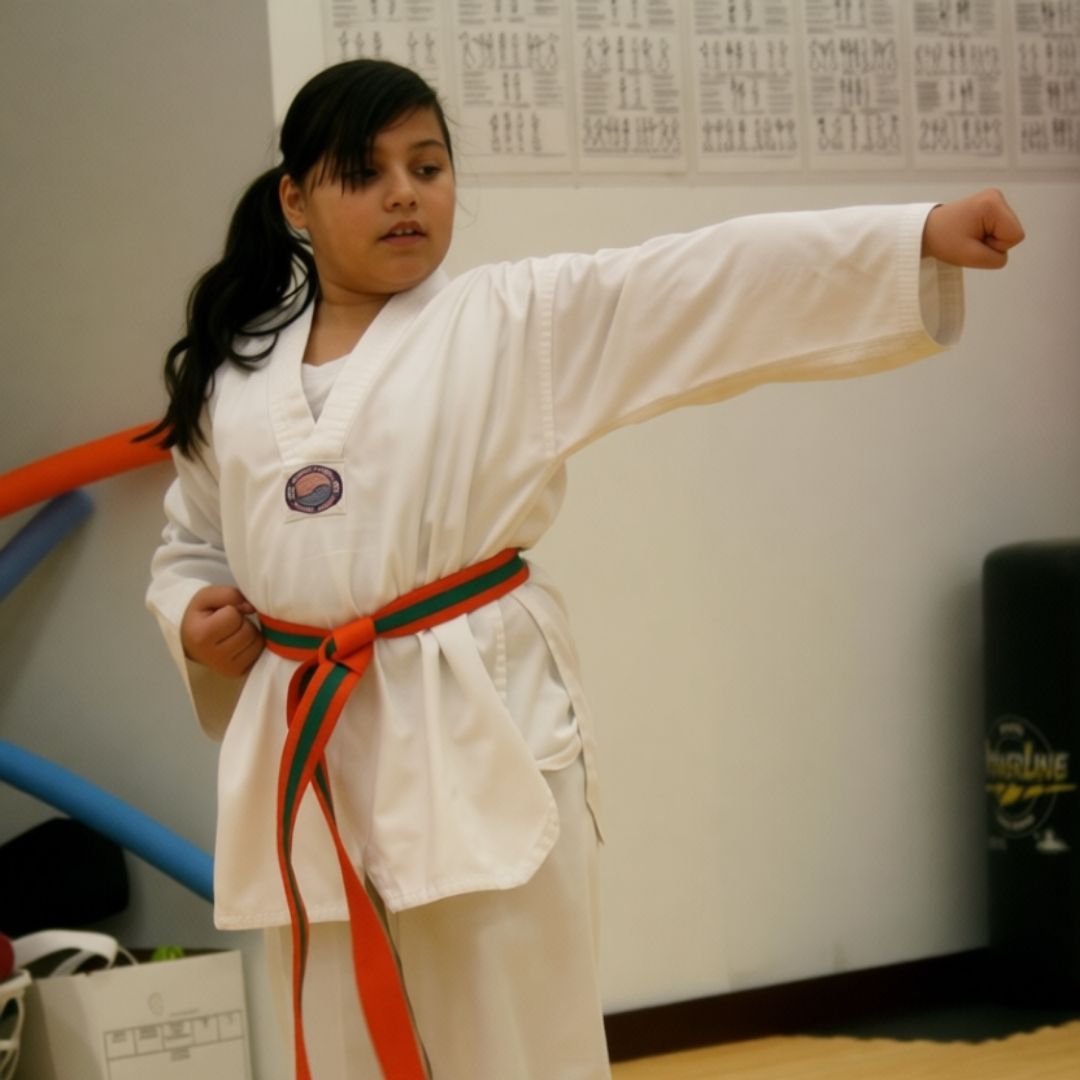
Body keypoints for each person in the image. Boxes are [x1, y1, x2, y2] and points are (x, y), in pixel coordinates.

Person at [144, 58, 1024, 1080]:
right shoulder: (236, 372)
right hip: (311, 749)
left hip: (475, 726)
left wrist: (909, 238)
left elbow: (694, 282)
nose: (404, 193)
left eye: (428, 166)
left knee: (514, 1038)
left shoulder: (513, 322)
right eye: (365, 171)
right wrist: (192, 616)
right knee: (341, 1040)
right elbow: (191, 546)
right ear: (295, 197)